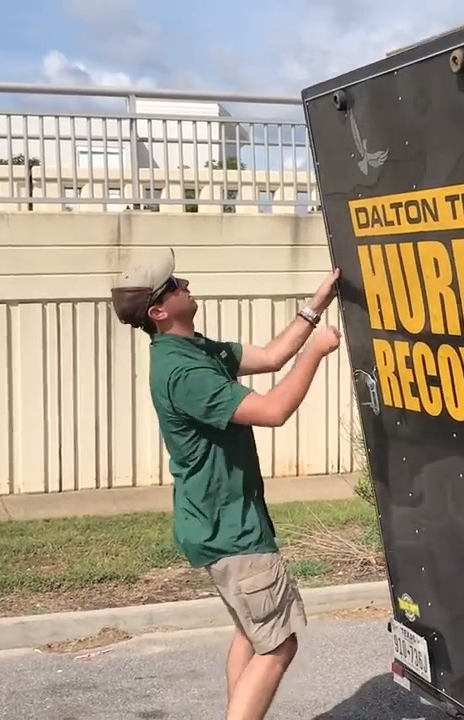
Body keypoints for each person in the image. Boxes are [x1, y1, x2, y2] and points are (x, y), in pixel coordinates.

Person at [108, 247, 343, 720]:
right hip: (230, 528)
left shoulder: (196, 349)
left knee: (250, 633)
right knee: (278, 646)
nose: (185, 284)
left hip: (217, 521)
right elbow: (273, 411)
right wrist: (317, 353)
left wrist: (315, 306)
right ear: (158, 311)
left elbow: (274, 356)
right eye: (173, 285)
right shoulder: (184, 371)